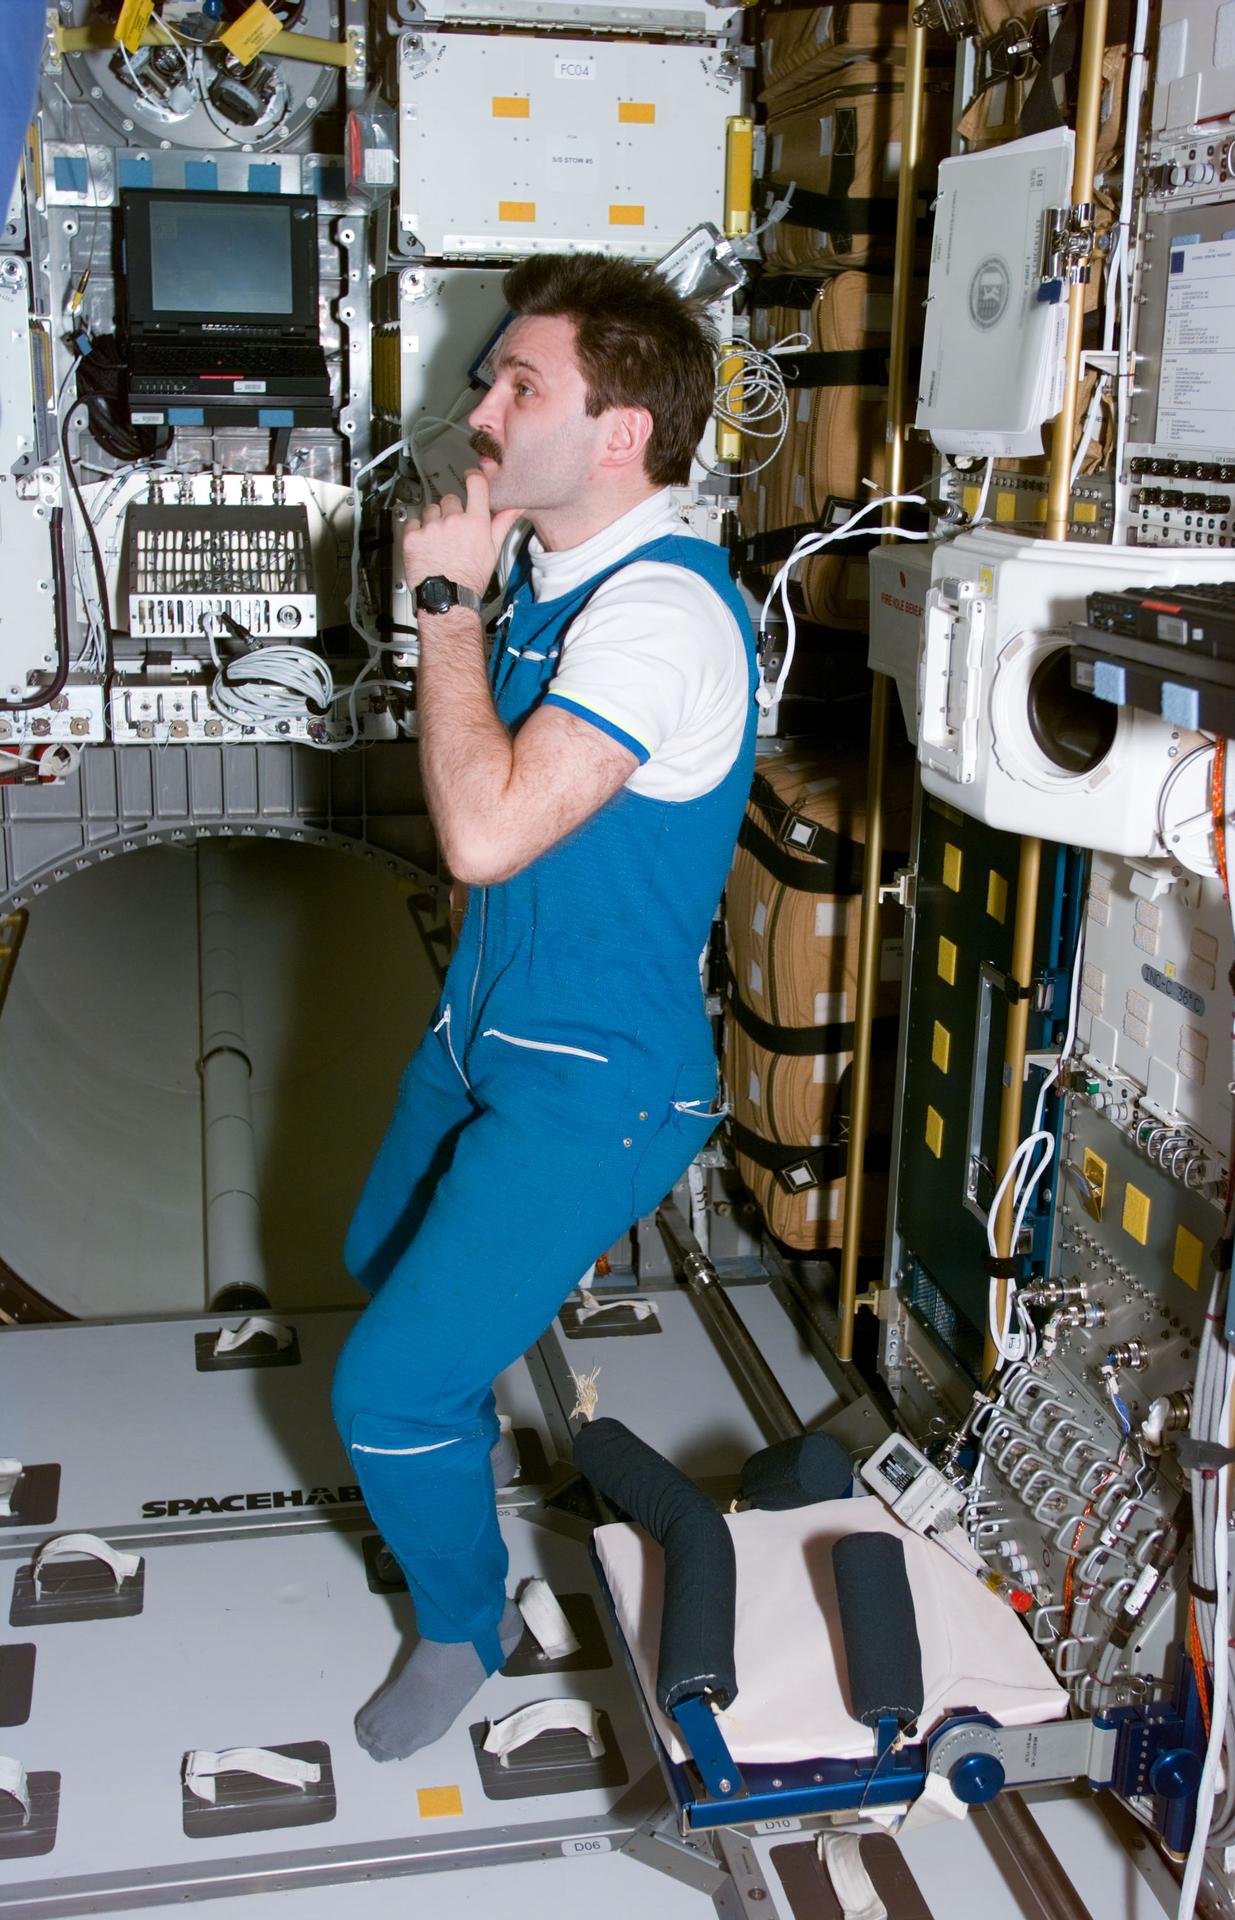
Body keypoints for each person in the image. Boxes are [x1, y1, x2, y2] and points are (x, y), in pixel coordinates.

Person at [331, 252, 759, 1761]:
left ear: (622, 434)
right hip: (486, 1028)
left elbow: (485, 835)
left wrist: (443, 603)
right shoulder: (551, 568)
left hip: (599, 1081)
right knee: (373, 1257)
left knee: (388, 1387)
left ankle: (465, 1621)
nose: (482, 408)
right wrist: (476, 575)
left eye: (521, 384)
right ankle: (476, 1381)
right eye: (490, 377)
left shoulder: (663, 620)